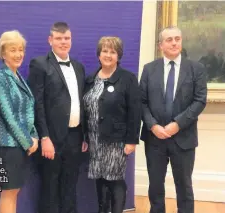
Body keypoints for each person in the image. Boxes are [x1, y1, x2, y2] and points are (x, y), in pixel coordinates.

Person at [140, 26, 207, 213]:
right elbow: (141, 102)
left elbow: (200, 100)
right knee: (155, 186)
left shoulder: (196, 69)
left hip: (183, 138)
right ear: (161, 45)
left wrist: (177, 124)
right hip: (155, 138)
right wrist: (153, 126)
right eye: (169, 39)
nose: (174, 43)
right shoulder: (149, 69)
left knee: (184, 186)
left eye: (177, 38)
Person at [27, 22, 88, 213]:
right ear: (50, 40)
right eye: (59, 38)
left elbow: (81, 102)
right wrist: (44, 137)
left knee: (70, 185)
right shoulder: (39, 64)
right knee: (50, 187)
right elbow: (37, 104)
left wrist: (84, 135)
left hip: (75, 137)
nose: (64, 42)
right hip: (51, 138)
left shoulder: (78, 67)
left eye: (67, 38)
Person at [83, 36, 142, 213]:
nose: (108, 55)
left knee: (114, 179)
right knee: (100, 177)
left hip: (116, 140)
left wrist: (132, 140)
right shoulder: (90, 79)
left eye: (113, 52)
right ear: (99, 54)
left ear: (119, 55)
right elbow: (85, 109)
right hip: (95, 139)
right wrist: (85, 136)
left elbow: (135, 112)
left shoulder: (128, 79)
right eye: (105, 51)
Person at [0, 30, 38, 213]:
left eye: (20, 50)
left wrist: (35, 137)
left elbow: (28, 112)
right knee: (9, 192)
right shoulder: (0, 79)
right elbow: (9, 117)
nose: (18, 54)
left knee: (14, 191)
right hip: (9, 145)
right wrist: (28, 142)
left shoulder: (19, 78)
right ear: (3, 53)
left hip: (21, 145)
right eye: (12, 50)